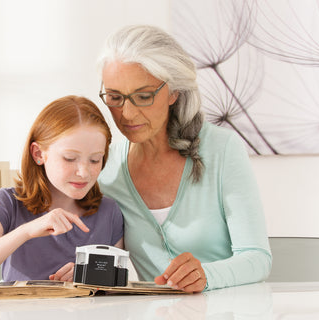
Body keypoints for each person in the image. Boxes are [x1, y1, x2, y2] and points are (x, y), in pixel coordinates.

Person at [96, 25, 272, 293]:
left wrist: (207, 275)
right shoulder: (105, 169)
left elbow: (258, 258)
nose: (127, 113)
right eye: (115, 98)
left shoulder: (222, 149)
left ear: (174, 92)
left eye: (143, 96)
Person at [0, 95, 124, 293]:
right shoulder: (7, 204)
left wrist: (86, 275)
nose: (84, 172)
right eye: (70, 158)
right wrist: (26, 231)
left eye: (95, 160)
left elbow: (116, 287)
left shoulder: (109, 212)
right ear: (38, 154)